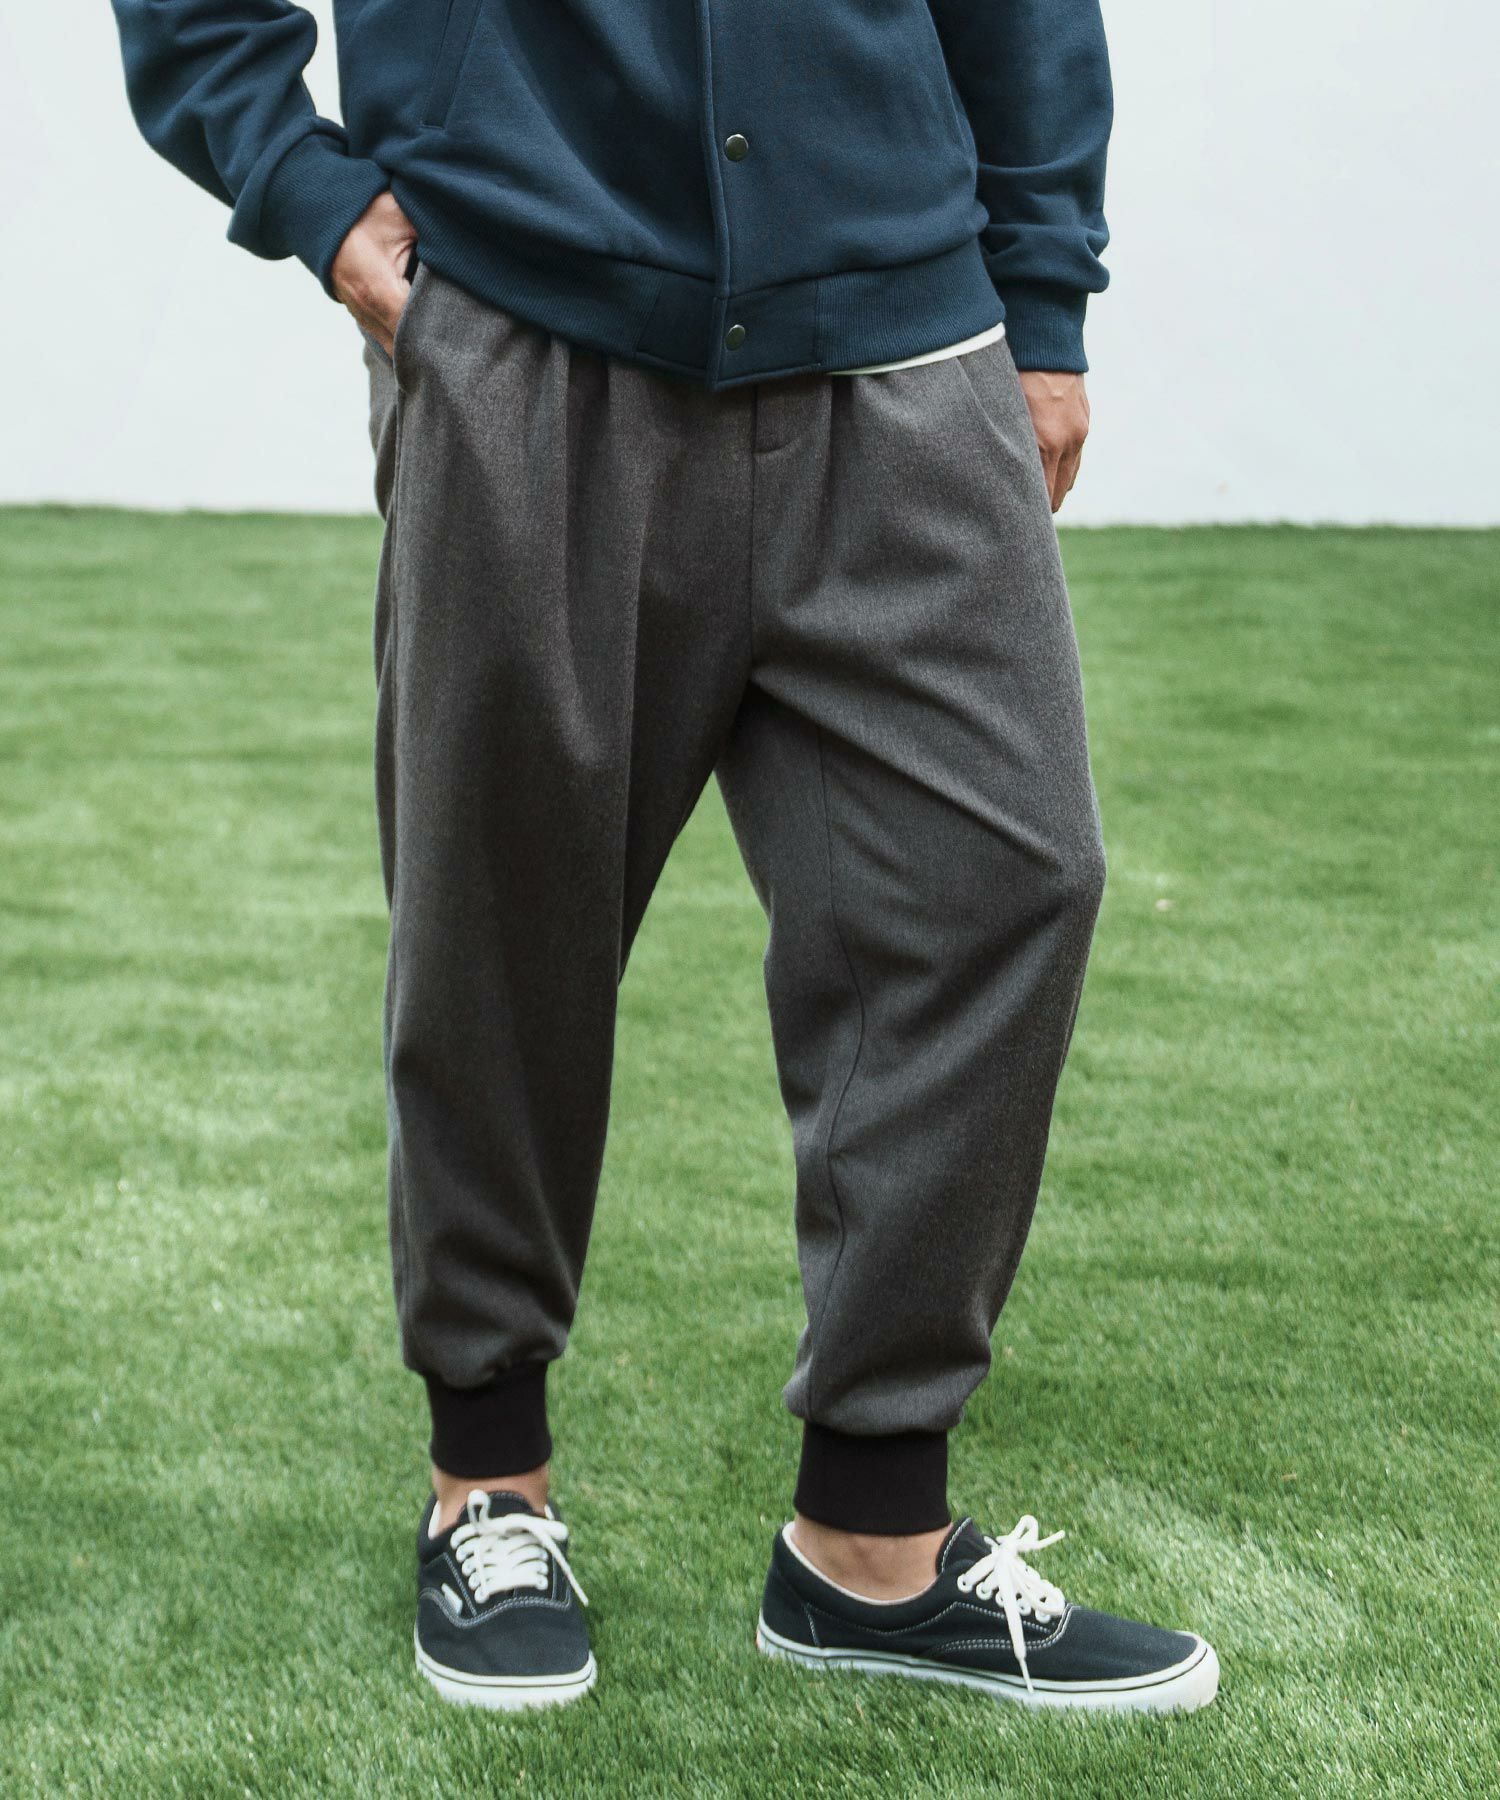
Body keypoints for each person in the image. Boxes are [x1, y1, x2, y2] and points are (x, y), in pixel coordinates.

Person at [110, 0, 1219, 1715]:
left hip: (906, 329)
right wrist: (303, 185)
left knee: (1007, 878)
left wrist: (1045, 295)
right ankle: (490, 1487)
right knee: (500, 921)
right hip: (529, 319)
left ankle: (870, 1543)